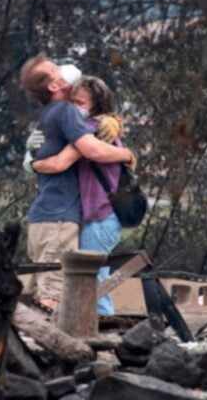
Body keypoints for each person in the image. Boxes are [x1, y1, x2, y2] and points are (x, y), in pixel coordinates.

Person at [18, 54, 135, 312]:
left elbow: (69, 155)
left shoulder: (63, 118)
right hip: (61, 216)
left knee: (75, 281)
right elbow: (78, 153)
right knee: (61, 286)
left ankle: (90, 328)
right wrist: (128, 155)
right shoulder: (65, 114)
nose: (62, 70)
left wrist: (122, 144)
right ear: (53, 86)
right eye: (55, 70)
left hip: (78, 215)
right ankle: (75, 335)